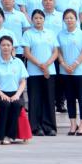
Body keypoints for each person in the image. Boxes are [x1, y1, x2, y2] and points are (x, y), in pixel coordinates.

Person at [22, 8, 59, 137]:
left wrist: (47, 65)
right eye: (35, 18)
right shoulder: (28, 34)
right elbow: (27, 53)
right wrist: (40, 65)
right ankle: (35, 127)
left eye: (40, 18)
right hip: (33, 72)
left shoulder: (50, 33)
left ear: (44, 19)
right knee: (35, 99)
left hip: (49, 71)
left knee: (49, 99)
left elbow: (55, 52)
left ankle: (49, 127)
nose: (38, 20)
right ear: (32, 20)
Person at [0, 36, 28, 145]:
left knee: (16, 104)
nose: (6, 47)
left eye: (8, 45)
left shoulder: (18, 62)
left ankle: (10, 136)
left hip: (16, 93)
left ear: (12, 47)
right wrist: (2, 94)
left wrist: (17, 95)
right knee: (5, 104)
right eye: (3, 45)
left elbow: (23, 81)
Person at [57, 8, 82, 135]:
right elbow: (58, 51)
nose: (69, 20)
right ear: (64, 20)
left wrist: (75, 64)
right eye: (66, 18)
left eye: (71, 18)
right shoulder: (60, 34)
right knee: (70, 98)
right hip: (65, 71)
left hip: (80, 71)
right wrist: (63, 64)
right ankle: (73, 124)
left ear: (76, 19)